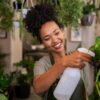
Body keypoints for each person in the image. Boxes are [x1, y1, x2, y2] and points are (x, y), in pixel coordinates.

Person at [25, 3, 92, 100]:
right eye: (47, 38)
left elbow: (85, 93)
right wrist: (63, 62)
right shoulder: (42, 64)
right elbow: (37, 87)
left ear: (62, 31)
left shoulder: (77, 58)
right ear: (42, 42)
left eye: (56, 33)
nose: (55, 40)